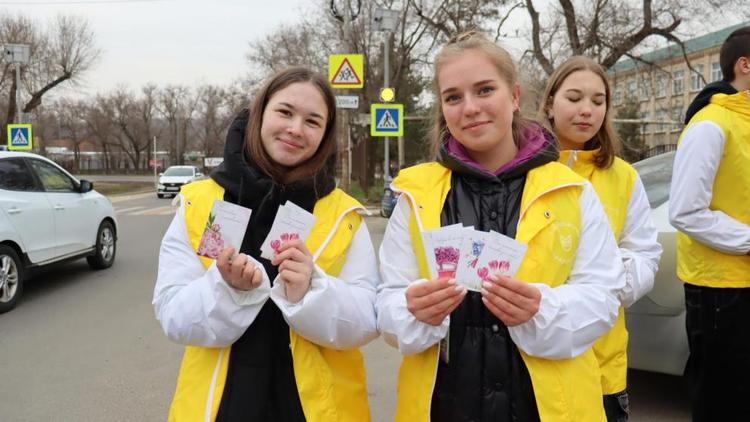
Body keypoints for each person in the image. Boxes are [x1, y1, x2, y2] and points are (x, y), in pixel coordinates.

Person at [376, 31, 625, 422]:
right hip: (444, 406)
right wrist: (411, 310)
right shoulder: (416, 194)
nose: (470, 108)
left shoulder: (570, 190)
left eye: (485, 89)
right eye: (453, 97)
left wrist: (544, 308)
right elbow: (388, 302)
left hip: (552, 408)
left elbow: (604, 296)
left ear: (514, 95)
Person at [153, 67, 379, 422]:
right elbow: (173, 315)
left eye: (313, 121)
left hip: (320, 411)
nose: (295, 129)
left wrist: (310, 290)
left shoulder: (341, 213)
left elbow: (367, 321)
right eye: (285, 112)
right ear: (260, 113)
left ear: (325, 136)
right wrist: (227, 289)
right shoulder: (201, 203)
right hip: (221, 408)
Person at [539, 55, 662, 422]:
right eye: (574, 98)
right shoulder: (525, 171)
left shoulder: (623, 177)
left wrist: (606, 286)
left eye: (598, 100)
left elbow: (644, 253)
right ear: (550, 103)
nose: (587, 110)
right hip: (534, 354)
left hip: (603, 359)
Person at [669, 27, 750, 422]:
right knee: (722, 403)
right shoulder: (710, 124)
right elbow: (685, 211)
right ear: (745, 65)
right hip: (721, 293)